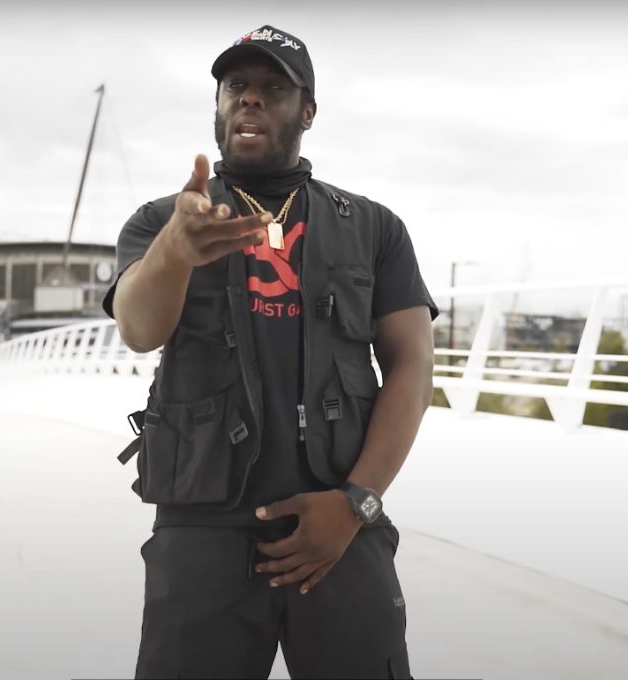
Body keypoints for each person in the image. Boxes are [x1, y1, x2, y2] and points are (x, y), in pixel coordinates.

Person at [102, 24, 437, 679]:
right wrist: (174, 250)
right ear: (219, 105)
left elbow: (413, 366)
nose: (248, 100)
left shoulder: (373, 227)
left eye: (272, 89)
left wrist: (356, 503)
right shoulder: (161, 221)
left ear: (307, 110)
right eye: (235, 87)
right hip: (202, 531)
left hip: (341, 522)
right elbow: (139, 328)